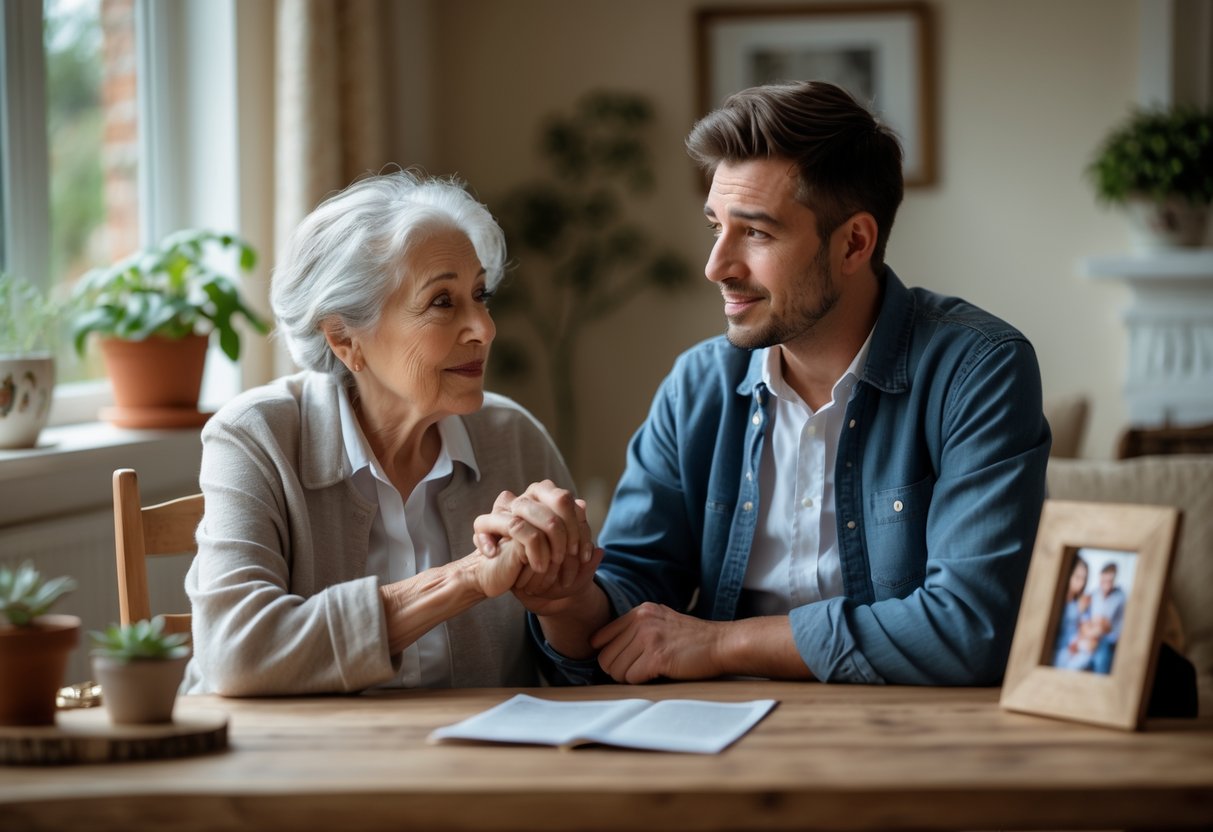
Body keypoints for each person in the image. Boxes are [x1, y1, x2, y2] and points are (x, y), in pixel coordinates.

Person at [481, 80, 1051, 686]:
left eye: (755, 233)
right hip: (714, 740)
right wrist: (566, 599)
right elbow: (634, 590)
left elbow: (970, 629)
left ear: (854, 243)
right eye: (715, 227)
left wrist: (724, 644)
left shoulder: (979, 370)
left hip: (911, 736)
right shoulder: (698, 383)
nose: (716, 266)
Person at [182, 170, 599, 696]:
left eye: (480, 295)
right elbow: (234, 651)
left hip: (477, 765)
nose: (485, 329)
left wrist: (563, 601)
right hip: (301, 767)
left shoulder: (514, 437)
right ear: (343, 339)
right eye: (443, 302)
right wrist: (466, 579)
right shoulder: (257, 437)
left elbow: (581, 668)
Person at [1054, 556, 1095, 671]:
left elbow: (1085, 628)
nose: (1081, 583)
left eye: (1084, 579)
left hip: (1075, 648)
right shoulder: (1058, 601)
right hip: (1061, 650)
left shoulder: (1081, 602)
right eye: (1077, 577)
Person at [1088, 562, 1126, 674]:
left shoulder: (1121, 597)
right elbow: (1089, 619)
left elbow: (1113, 627)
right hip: (1092, 635)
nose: (1105, 585)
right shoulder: (1094, 594)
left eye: (1109, 582)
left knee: (1102, 656)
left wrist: (1103, 626)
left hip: (1109, 639)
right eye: (1103, 581)